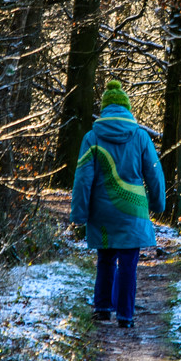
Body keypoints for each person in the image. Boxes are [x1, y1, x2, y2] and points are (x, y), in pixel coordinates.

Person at [70, 79, 165, 327]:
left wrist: (79, 213)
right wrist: (158, 203)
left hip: (102, 211)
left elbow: (82, 179)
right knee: (128, 264)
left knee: (106, 259)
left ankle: (102, 308)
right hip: (132, 210)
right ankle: (125, 316)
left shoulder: (92, 138)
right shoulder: (141, 137)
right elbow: (154, 173)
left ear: (104, 109)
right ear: (127, 109)